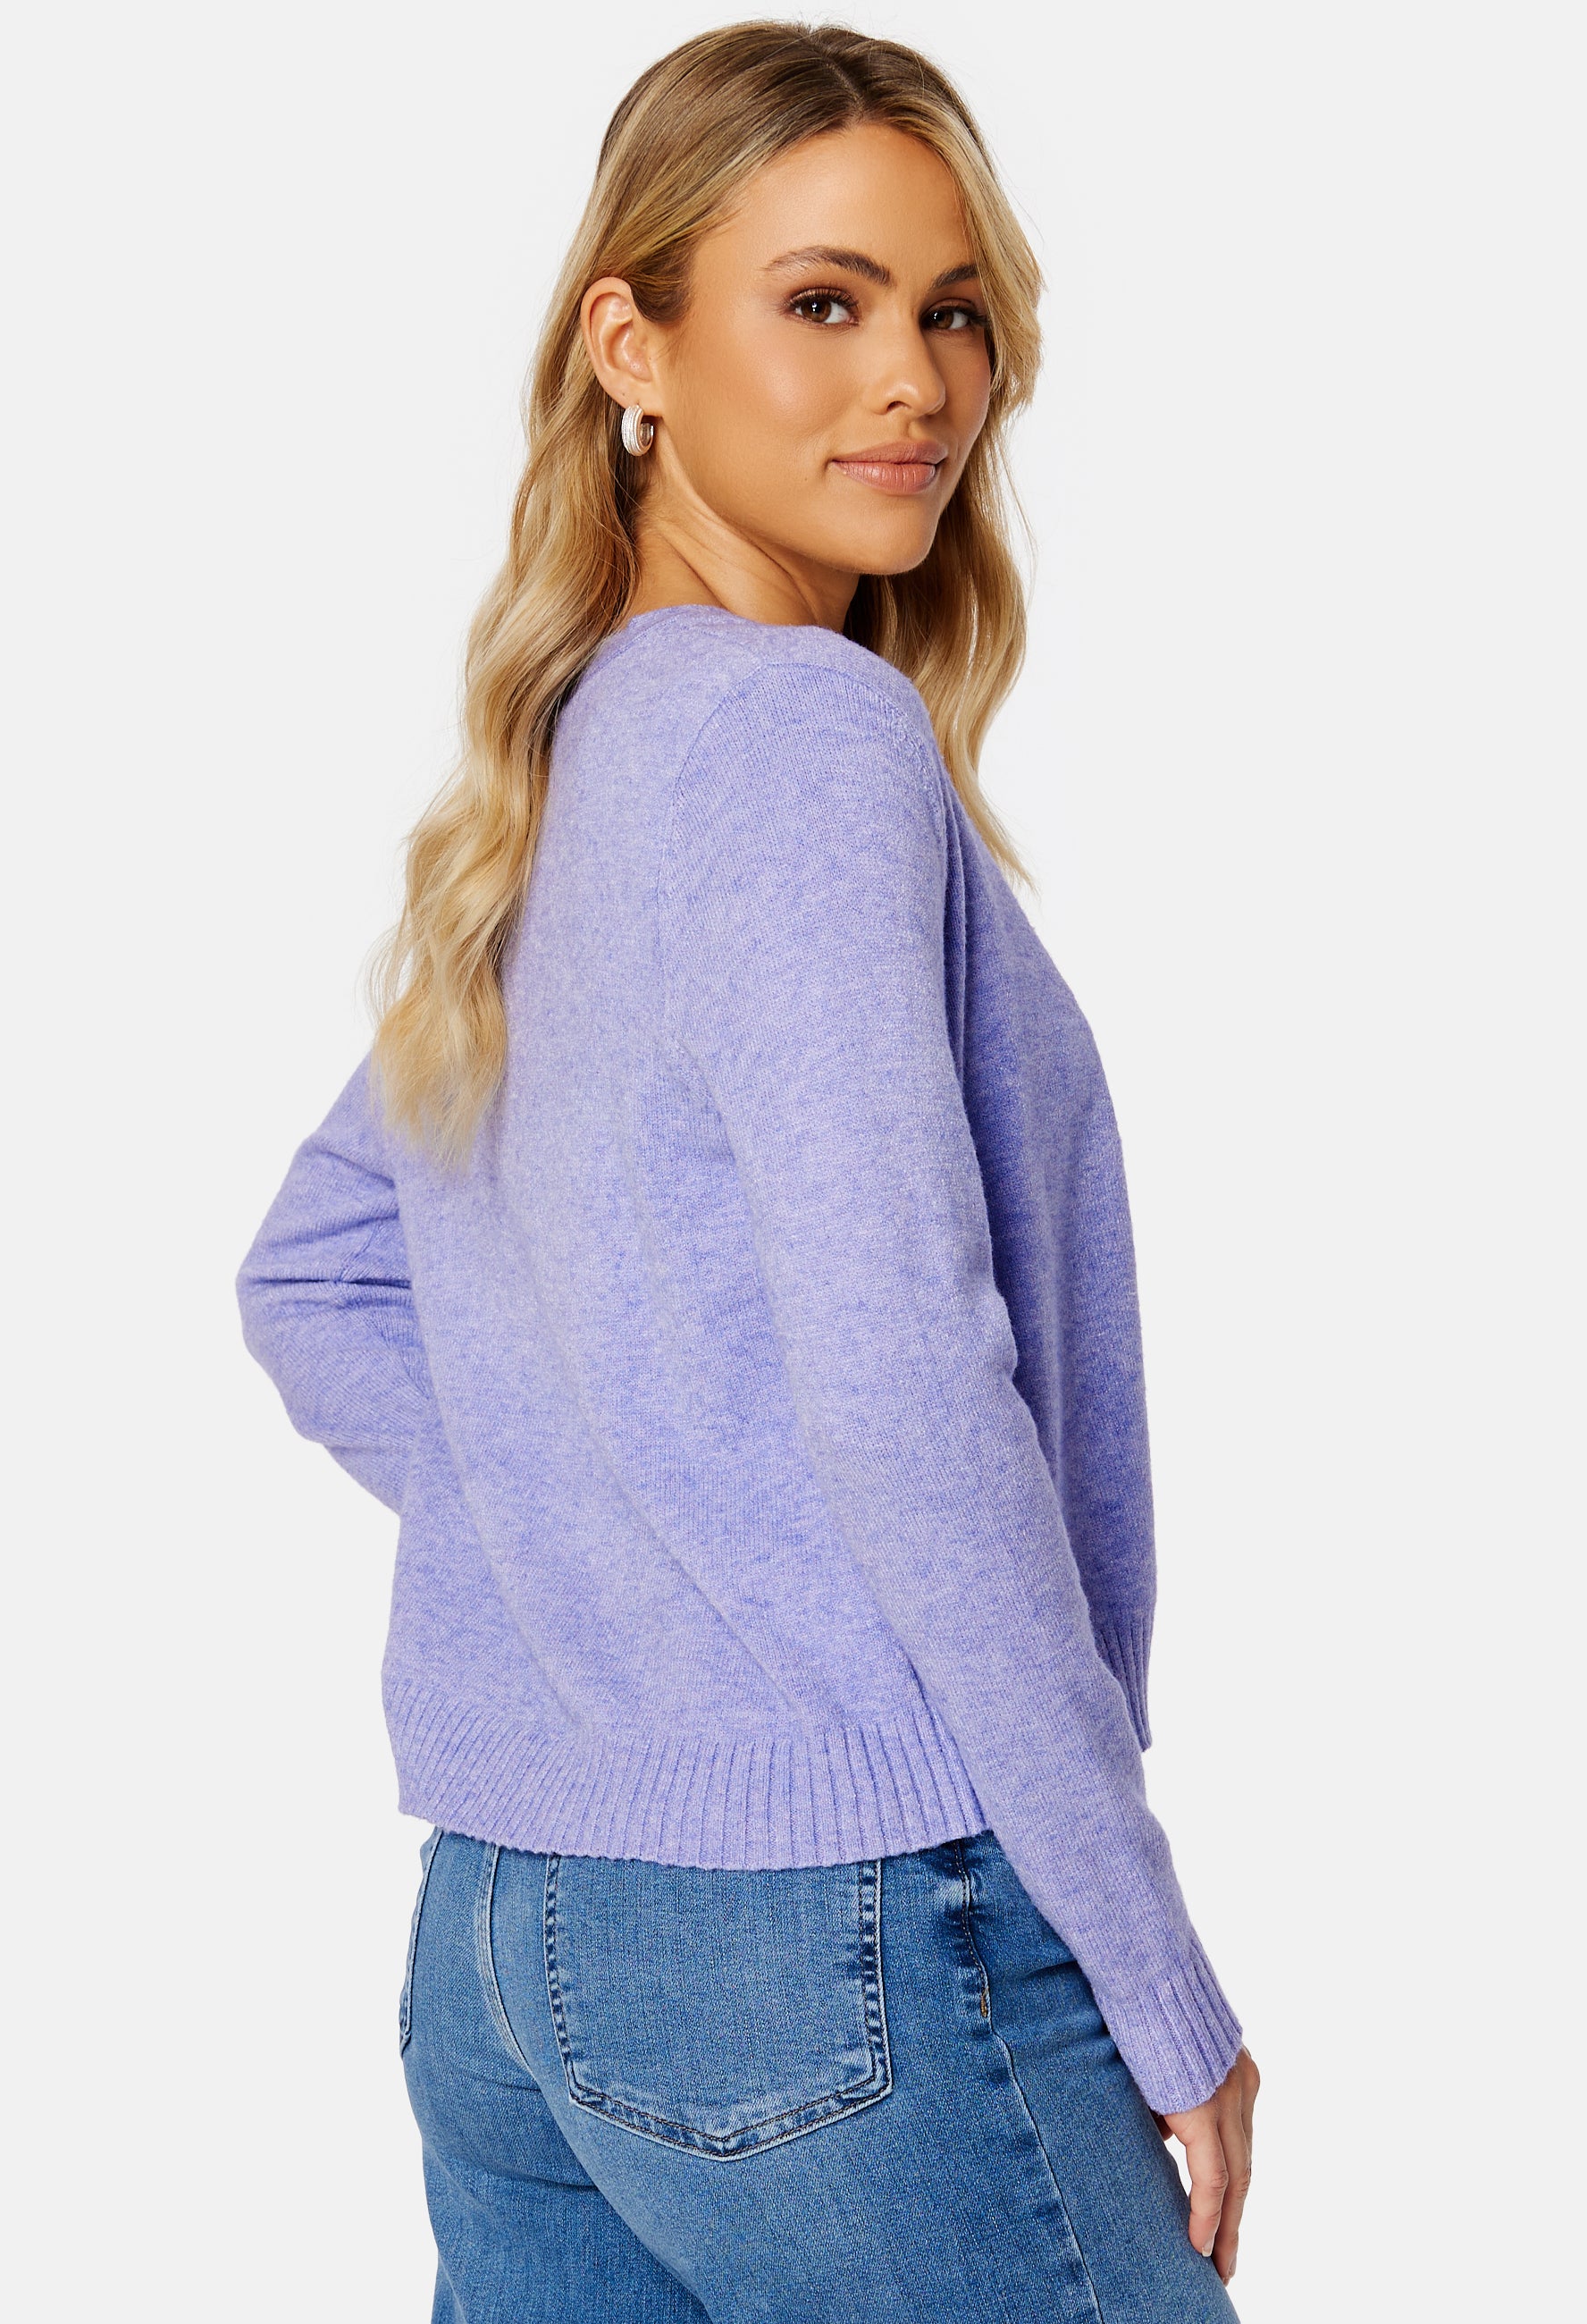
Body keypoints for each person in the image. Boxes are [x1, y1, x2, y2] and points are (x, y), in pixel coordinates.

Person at [238, 22, 1259, 2321]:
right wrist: (1152, 1966)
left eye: (953, 309)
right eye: (823, 301)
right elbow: (901, 1380)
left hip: (516, 1937)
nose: (916, 380)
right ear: (633, 343)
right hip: (845, 1937)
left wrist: (620, 1546)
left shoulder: (579, 753)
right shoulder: (803, 743)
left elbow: (316, 1272)